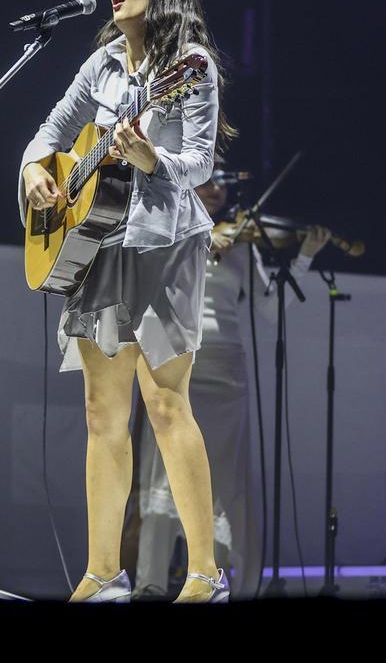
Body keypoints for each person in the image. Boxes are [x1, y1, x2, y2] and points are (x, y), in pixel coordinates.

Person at [19, 0, 235, 602]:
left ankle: (204, 574)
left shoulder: (190, 66)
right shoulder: (103, 61)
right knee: (100, 412)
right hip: (98, 241)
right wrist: (34, 168)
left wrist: (150, 157)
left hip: (165, 240)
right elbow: (52, 131)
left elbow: (199, 163)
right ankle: (103, 571)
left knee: (166, 405)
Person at [132, 165, 331, 599]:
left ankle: (224, 582)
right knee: (161, 470)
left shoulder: (242, 242)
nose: (216, 190)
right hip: (174, 357)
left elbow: (270, 310)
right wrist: (202, 238)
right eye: (207, 180)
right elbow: (147, 277)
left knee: (226, 477)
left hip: (227, 370)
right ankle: (149, 582)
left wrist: (304, 258)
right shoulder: (169, 223)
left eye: (221, 183)